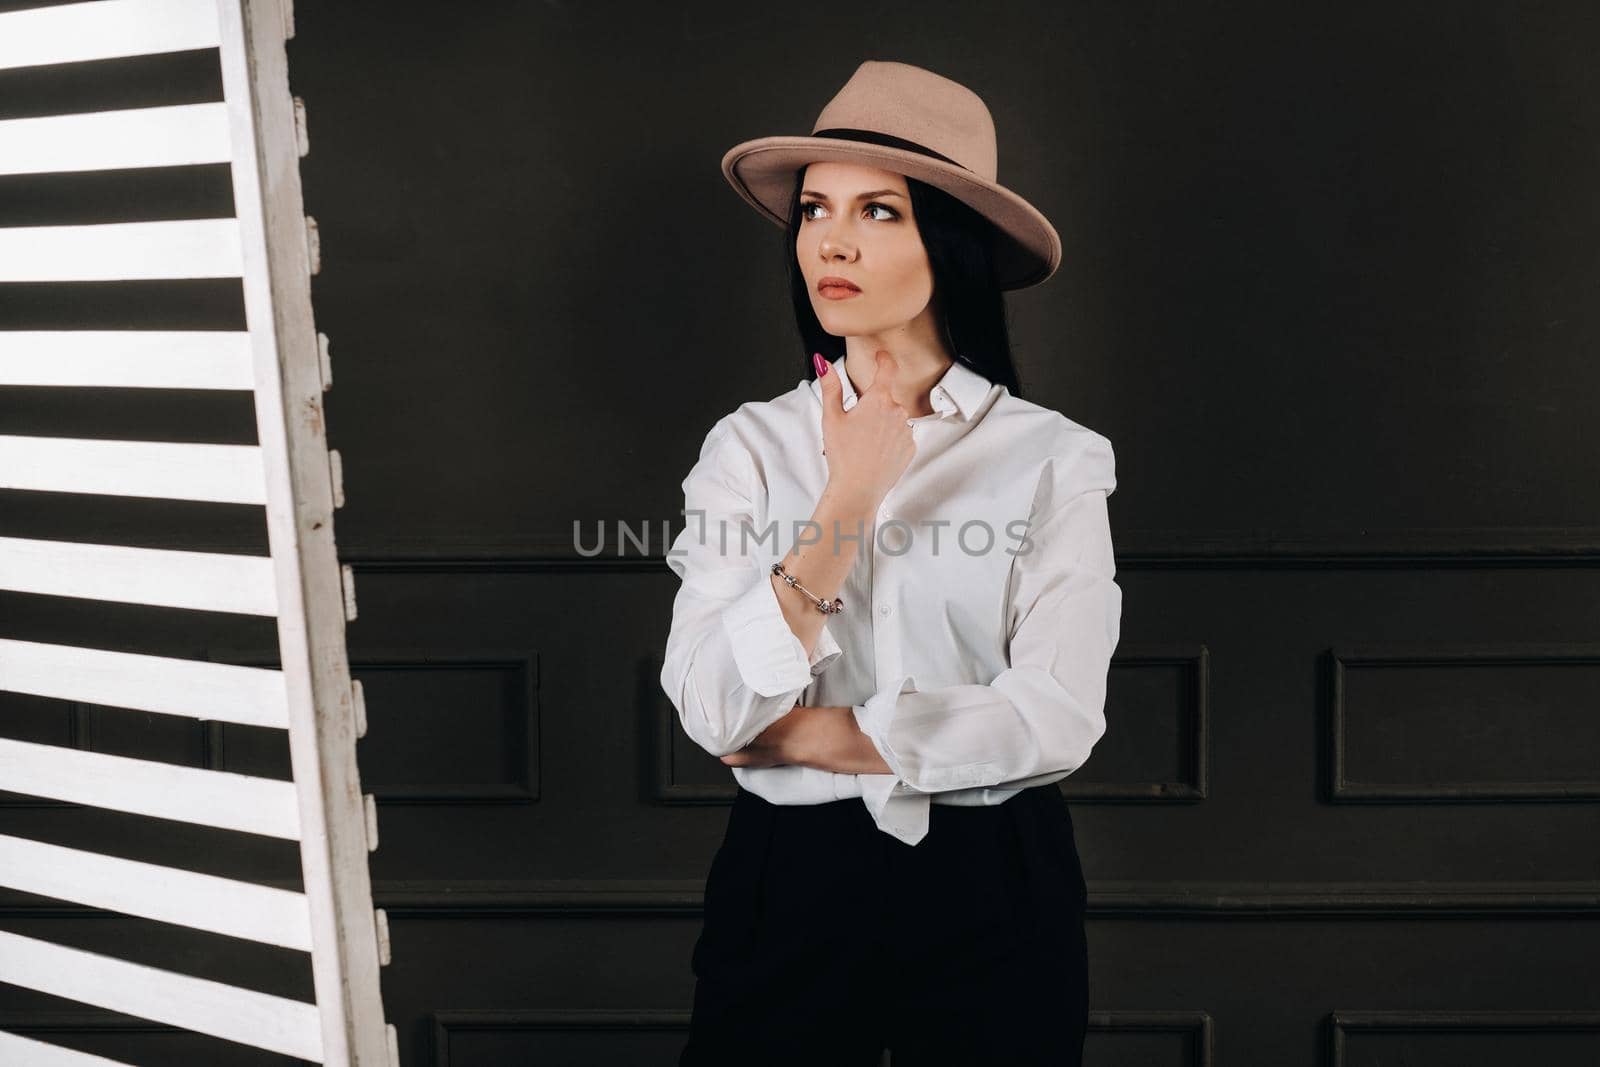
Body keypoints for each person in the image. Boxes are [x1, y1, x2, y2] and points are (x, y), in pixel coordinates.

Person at [660, 59, 1120, 1067]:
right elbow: (707, 705)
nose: (830, 238)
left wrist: (817, 735)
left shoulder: (1055, 457)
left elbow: (1056, 711)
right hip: (787, 882)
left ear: (948, 243)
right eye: (816, 209)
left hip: (996, 881)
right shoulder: (746, 448)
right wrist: (847, 497)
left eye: (878, 211)